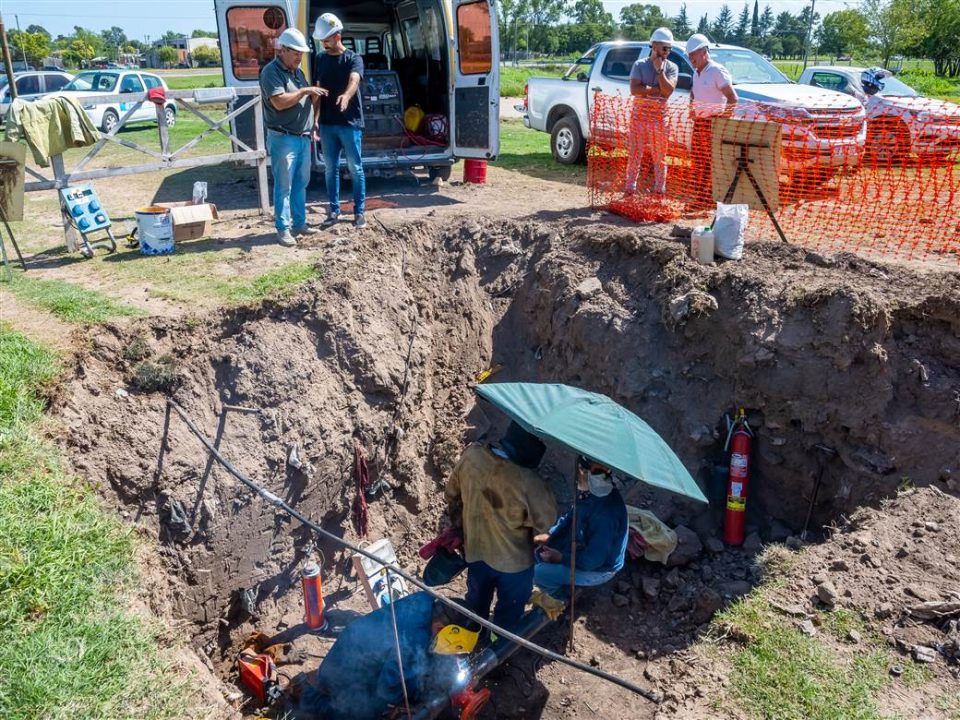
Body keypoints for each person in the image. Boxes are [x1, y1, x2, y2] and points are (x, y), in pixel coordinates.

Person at [445, 422, 557, 634]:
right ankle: (498, 651)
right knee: (509, 613)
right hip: (513, 564)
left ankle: (472, 643)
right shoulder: (530, 482)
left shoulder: (472, 457)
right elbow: (546, 523)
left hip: (476, 552)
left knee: (475, 607)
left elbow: (451, 493)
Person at [299, 592, 478, 720]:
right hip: (346, 670)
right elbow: (388, 689)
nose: (453, 654)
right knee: (366, 710)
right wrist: (404, 705)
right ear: (440, 628)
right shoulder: (414, 640)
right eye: (453, 649)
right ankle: (308, 697)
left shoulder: (428, 600)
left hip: (364, 645)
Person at [259, 28, 327, 247]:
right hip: (284, 137)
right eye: (296, 52)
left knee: (300, 183)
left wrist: (313, 117)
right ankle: (283, 228)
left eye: (301, 53)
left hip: (302, 136)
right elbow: (279, 102)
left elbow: (304, 100)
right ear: (284, 50)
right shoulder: (272, 72)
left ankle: (300, 223)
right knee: (284, 185)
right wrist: (305, 92)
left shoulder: (297, 72)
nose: (300, 56)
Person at [533, 456, 628, 600]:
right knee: (540, 553)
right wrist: (551, 535)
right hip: (585, 549)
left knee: (539, 573)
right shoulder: (592, 494)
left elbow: (593, 560)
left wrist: (561, 557)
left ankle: (562, 598)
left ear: (586, 473)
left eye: (580, 471)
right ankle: (561, 579)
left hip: (600, 569)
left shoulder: (605, 516)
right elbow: (572, 516)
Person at [313, 13, 368, 229]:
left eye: (326, 39)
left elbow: (355, 79)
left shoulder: (354, 58)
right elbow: (317, 90)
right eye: (321, 40)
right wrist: (315, 119)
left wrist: (346, 95)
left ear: (338, 36)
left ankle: (359, 212)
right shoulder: (320, 58)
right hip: (327, 124)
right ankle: (334, 211)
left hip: (349, 124)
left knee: (355, 168)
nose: (323, 43)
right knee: (330, 169)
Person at [624, 27, 679, 196]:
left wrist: (659, 70)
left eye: (669, 49)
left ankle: (659, 189)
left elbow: (668, 91)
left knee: (659, 156)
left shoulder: (671, 67)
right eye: (664, 48)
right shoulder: (639, 64)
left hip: (659, 119)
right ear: (654, 46)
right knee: (635, 153)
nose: (667, 52)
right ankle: (630, 188)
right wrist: (656, 89)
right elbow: (634, 89)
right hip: (639, 118)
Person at [686, 33, 738, 207]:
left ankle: (708, 200)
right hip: (700, 124)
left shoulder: (716, 71)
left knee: (710, 164)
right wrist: (692, 107)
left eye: (693, 53)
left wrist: (722, 123)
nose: (690, 57)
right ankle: (700, 198)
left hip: (713, 123)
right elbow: (694, 92)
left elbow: (732, 98)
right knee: (699, 163)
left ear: (704, 51)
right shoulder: (696, 72)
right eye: (689, 54)